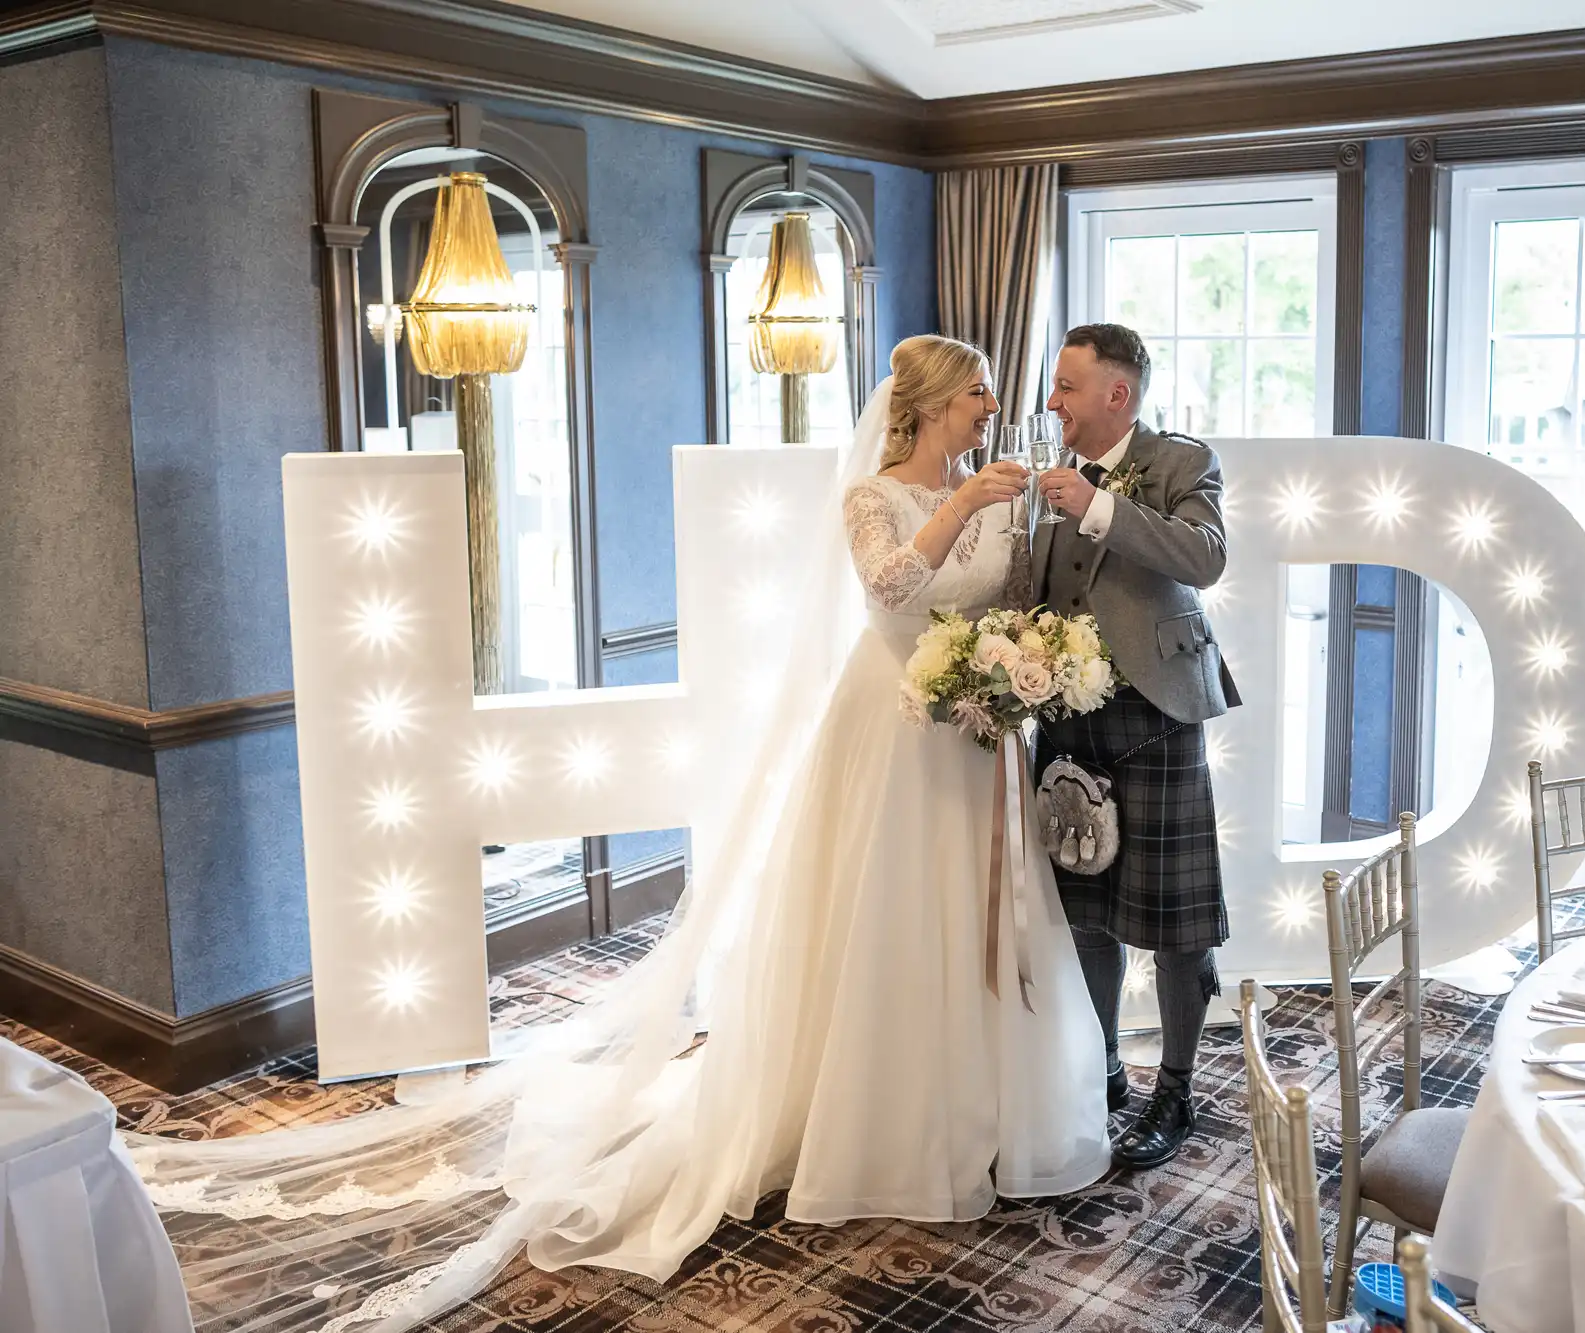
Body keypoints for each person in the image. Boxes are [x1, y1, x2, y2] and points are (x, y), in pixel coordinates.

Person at [127, 335, 1110, 1333]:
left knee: (974, 914)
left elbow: (1008, 598)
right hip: (890, 728)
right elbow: (891, 589)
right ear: (938, 400)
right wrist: (962, 504)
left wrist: (1010, 657)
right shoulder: (874, 495)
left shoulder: (1007, 496)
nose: (994, 403)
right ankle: (874, 1118)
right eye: (980, 389)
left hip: (971, 730)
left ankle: (980, 1110)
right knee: (888, 913)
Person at [1033, 322, 1240, 1170]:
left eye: (1067, 387)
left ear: (1115, 395)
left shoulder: (1181, 464)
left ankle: (1176, 1091)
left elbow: (1204, 557)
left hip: (1155, 715)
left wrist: (1098, 506)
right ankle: (1106, 1068)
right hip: (1066, 720)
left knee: (1176, 926)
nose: (1053, 403)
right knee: (1087, 913)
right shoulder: (1045, 475)